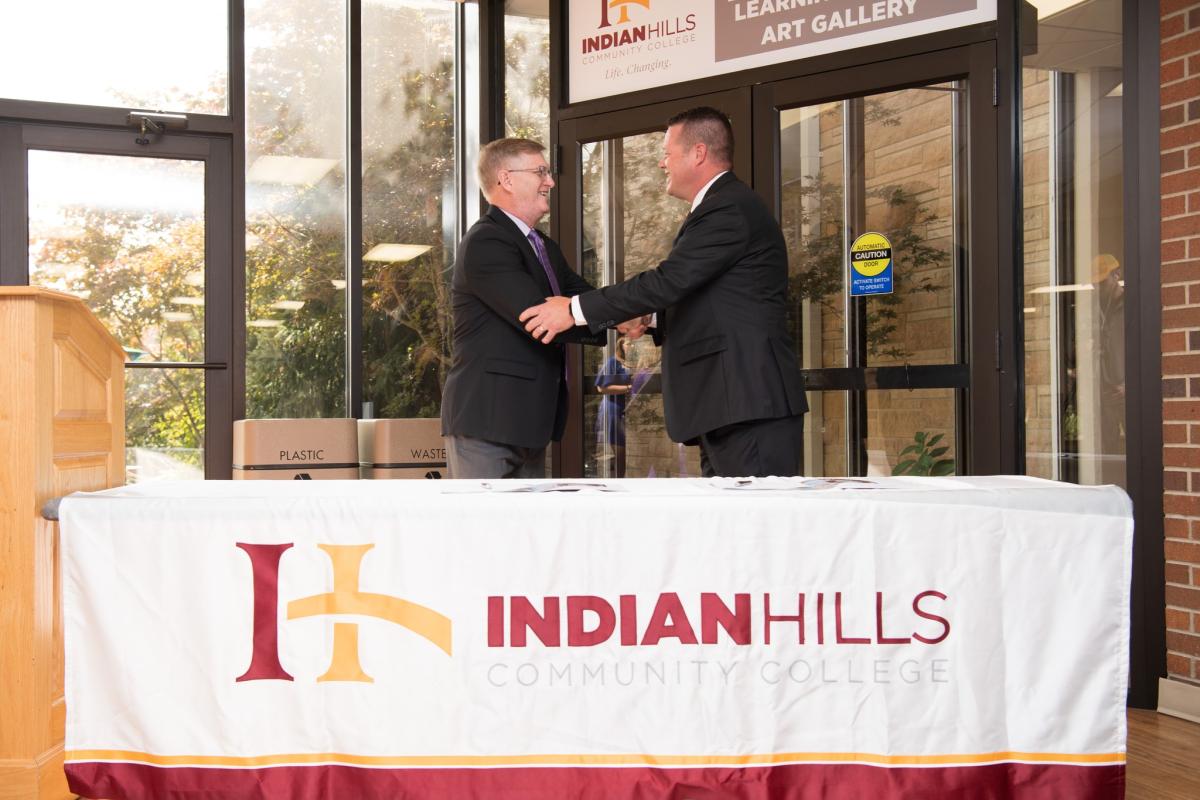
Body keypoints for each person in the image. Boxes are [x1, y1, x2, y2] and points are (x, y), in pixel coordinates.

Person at [519, 107, 806, 478]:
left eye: (668, 153)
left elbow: (669, 280)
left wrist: (575, 309)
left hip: (747, 405)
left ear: (698, 153)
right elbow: (703, 294)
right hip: (729, 407)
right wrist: (647, 316)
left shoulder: (728, 208)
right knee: (730, 531)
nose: (661, 163)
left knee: (754, 530)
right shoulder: (720, 208)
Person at [440, 138, 639, 478]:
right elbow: (539, 317)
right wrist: (611, 317)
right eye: (541, 172)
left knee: (525, 532)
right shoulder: (486, 242)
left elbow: (582, 297)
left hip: (526, 422)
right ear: (506, 179)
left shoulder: (542, 245)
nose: (550, 181)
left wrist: (630, 314)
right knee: (486, 531)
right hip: (488, 421)